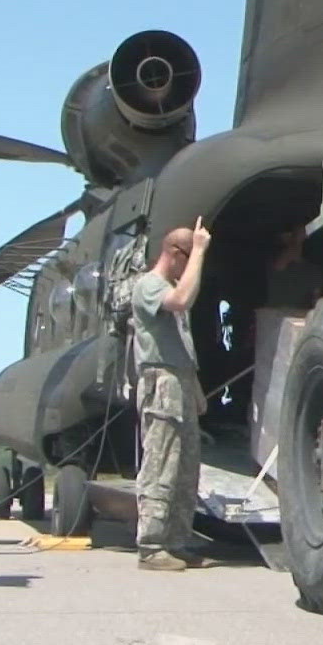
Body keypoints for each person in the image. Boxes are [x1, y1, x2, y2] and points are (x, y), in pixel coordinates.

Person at [130, 218, 211, 571]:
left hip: (179, 381)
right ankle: (151, 545)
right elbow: (179, 300)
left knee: (184, 467)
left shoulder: (170, 285)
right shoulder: (149, 285)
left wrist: (195, 389)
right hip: (161, 382)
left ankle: (176, 541)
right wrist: (201, 251)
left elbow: (181, 344)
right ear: (176, 254)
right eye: (190, 258)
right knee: (161, 462)